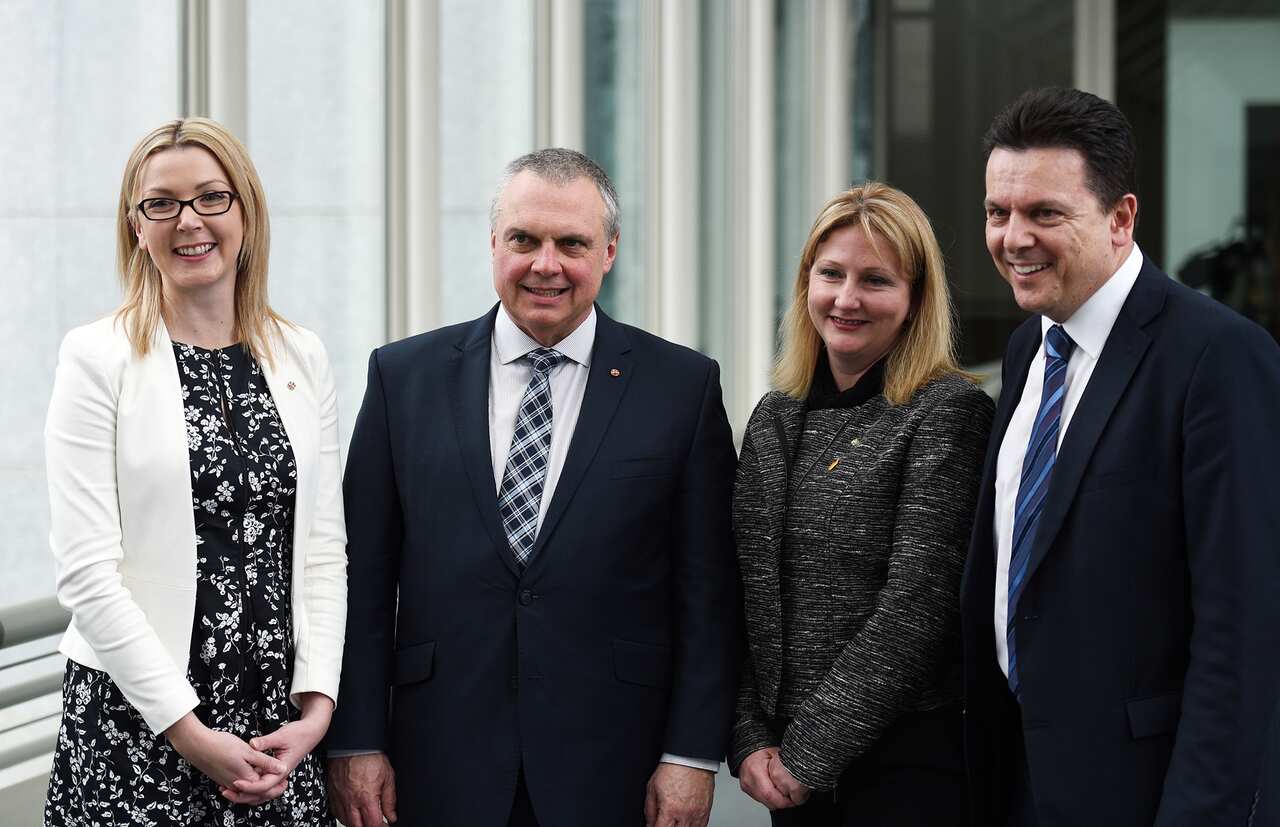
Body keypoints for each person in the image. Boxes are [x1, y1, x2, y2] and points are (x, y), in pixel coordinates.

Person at [325, 148, 741, 827]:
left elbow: (709, 593)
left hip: (615, 766)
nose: (545, 264)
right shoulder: (403, 379)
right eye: (524, 239)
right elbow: (361, 580)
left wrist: (691, 755)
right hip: (437, 762)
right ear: (494, 244)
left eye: (571, 242)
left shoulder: (681, 389)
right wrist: (357, 736)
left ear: (608, 251)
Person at [961, 87, 1280, 826]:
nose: (1014, 238)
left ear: (1121, 217)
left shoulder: (1220, 358)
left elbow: (1244, 628)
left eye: (1045, 213)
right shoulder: (1027, 348)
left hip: (1148, 794)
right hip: (1019, 784)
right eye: (997, 212)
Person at [42, 118, 347, 826]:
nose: (190, 221)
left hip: (278, 733)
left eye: (212, 197)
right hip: (138, 722)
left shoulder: (302, 355)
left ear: (246, 211)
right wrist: (186, 729)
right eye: (162, 203)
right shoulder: (96, 358)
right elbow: (87, 571)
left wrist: (319, 706)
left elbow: (324, 550)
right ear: (136, 225)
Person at [731, 182, 995, 825]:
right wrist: (748, 737)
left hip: (904, 767)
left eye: (875, 280)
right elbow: (739, 590)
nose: (846, 299)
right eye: (831, 274)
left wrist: (809, 753)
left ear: (914, 301)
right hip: (786, 769)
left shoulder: (948, 414)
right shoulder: (774, 415)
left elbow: (919, 606)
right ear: (806, 284)